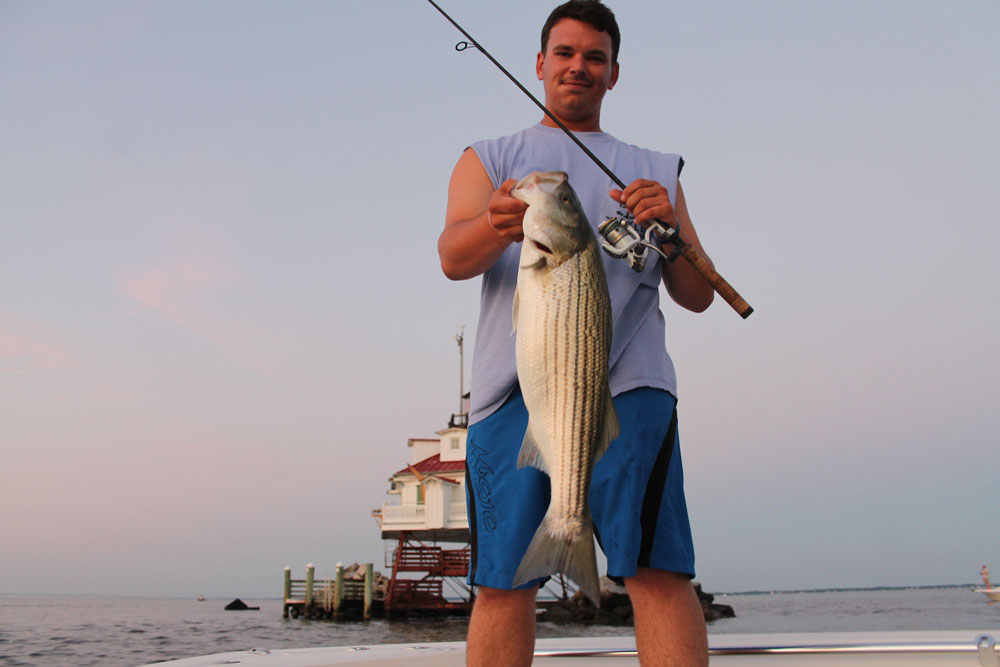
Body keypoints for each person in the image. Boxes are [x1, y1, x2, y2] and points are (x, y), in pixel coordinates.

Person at [438, 2, 714, 664]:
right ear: (539, 64)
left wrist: (670, 233)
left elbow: (699, 294)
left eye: (594, 57)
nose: (578, 67)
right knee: (501, 580)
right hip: (514, 393)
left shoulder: (654, 168)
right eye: (564, 53)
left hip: (632, 387)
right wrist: (496, 226)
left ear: (614, 74)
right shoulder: (490, 155)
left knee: (657, 570)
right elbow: (452, 257)